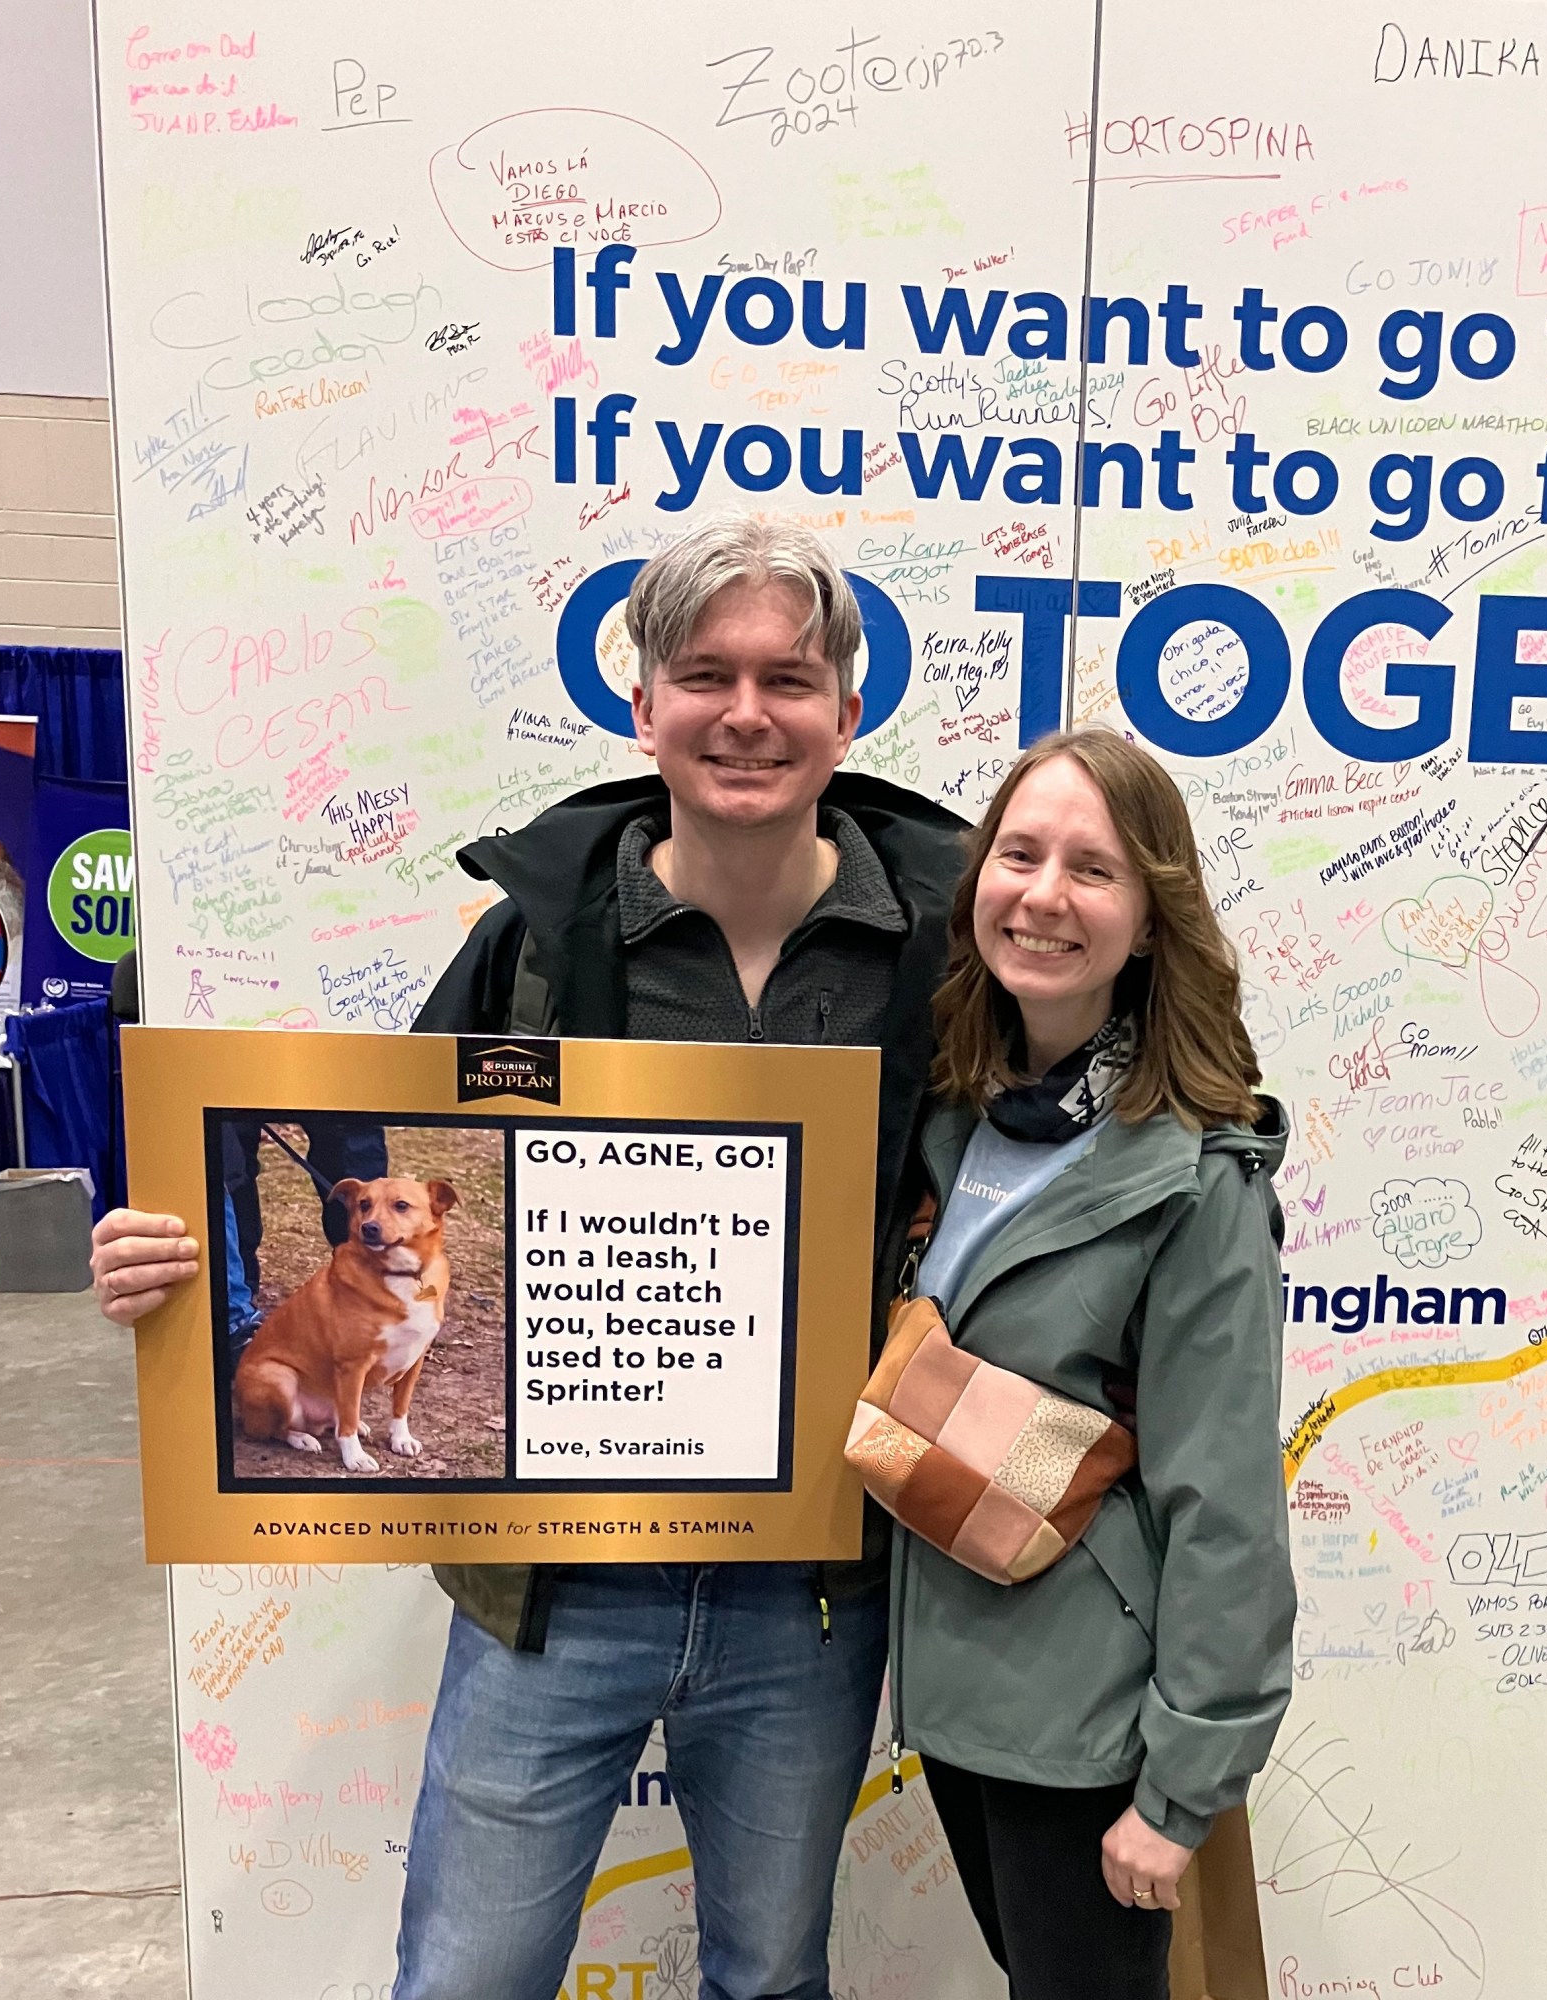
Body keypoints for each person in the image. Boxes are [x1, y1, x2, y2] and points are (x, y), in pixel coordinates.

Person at [89, 515, 969, 2000]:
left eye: (788, 678)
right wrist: (160, 1257)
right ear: (643, 703)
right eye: (706, 674)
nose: (746, 713)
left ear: (847, 711)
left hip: (808, 1585)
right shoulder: (536, 945)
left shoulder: (946, 957)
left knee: (772, 1978)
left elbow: (1046, 1185)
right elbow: (367, 1148)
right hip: (558, 1582)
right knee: (466, 1977)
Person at [886, 729, 1294, 2000]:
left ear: (1151, 917)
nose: (1044, 895)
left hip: (1089, 1728)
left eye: (1092, 868)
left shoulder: (1192, 1173)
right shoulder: (948, 1114)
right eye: (1018, 855)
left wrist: (1180, 1788)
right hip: (959, 1700)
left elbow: (1222, 1498)